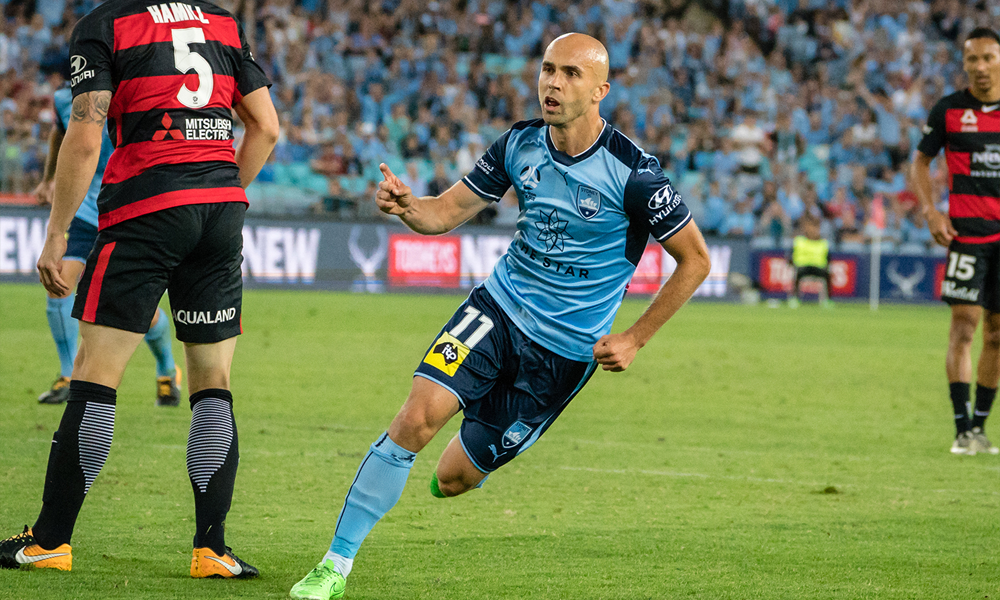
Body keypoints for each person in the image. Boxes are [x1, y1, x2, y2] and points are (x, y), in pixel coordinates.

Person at [288, 33, 711, 600]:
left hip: (562, 354)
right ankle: (335, 565)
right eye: (547, 70)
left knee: (453, 478)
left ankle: (474, 452)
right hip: (498, 310)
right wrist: (408, 205)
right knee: (415, 420)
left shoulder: (633, 174)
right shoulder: (520, 144)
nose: (553, 84)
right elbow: (444, 213)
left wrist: (635, 337)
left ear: (601, 91)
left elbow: (696, 260)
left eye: (571, 75)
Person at [0, 0, 279, 577]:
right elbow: (268, 128)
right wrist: (220, 191)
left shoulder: (106, 25)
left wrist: (56, 233)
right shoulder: (223, 22)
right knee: (213, 385)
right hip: (219, 211)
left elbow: (84, 132)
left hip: (144, 209)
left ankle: (50, 541)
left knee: (95, 376)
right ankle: (212, 550)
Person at [34, 86, 182, 407]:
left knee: (131, 301)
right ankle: (67, 374)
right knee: (59, 282)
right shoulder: (65, 97)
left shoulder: (138, 86)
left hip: (128, 205)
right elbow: (62, 133)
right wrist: (48, 178)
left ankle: (167, 370)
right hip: (87, 208)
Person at [912, 27, 1000, 456]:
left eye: (988, 58)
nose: (981, 67)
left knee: (997, 334)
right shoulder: (949, 110)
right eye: (973, 60)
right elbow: (921, 162)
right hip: (967, 235)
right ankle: (962, 428)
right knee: (964, 326)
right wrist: (931, 210)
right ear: (964, 63)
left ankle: (980, 429)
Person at [786, 216, 831, 308]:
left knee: (828, 274)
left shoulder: (823, 243)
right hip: (802, 267)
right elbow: (790, 257)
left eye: (815, 227)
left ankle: (827, 300)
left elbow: (828, 259)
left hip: (818, 268)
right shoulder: (799, 241)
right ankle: (794, 298)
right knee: (797, 274)